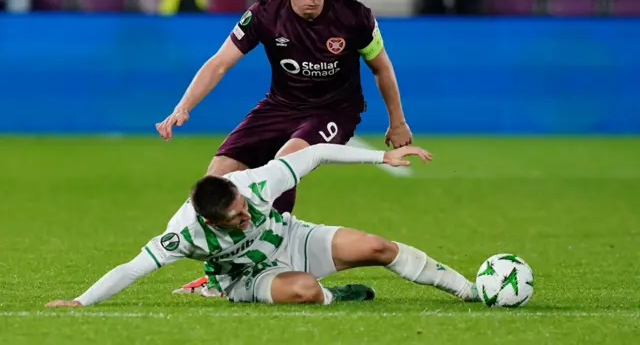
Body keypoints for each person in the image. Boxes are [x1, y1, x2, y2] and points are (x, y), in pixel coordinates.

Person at [155, 0, 413, 294]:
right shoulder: (264, 13)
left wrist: (397, 122)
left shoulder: (354, 16)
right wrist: (182, 107)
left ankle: (272, 257)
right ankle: (217, 275)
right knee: (217, 177)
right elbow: (219, 63)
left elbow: (382, 69)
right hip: (279, 105)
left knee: (285, 163)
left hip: (334, 110)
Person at [45, 143, 480, 308]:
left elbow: (316, 154)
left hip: (292, 237)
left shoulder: (250, 184)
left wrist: (379, 157)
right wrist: (81, 302)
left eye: (244, 207)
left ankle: (470, 290)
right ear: (212, 221)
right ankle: (337, 296)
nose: (246, 213)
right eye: (236, 217)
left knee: (377, 246)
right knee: (305, 290)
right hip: (248, 276)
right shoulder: (185, 233)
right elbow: (131, 267)